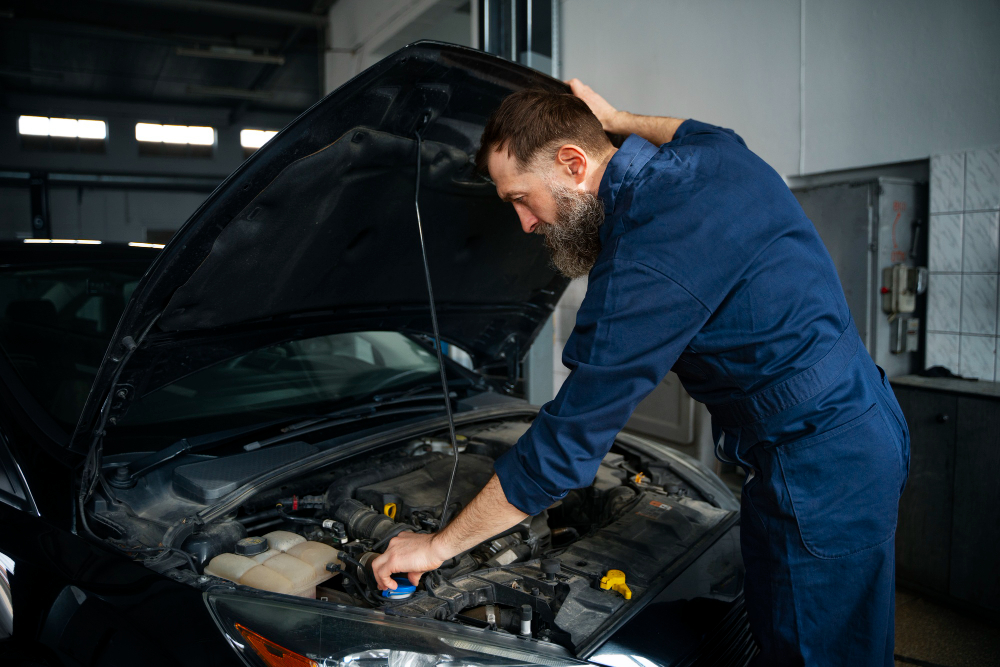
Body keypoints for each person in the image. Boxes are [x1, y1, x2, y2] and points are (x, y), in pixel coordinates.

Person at [371, 80, 910, 665]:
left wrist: (437, 547)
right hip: (859, 419)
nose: (525, 224)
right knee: (834, 631)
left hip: (815, 464)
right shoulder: (714, 157)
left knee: (816, 650)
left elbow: (565, 446)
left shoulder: (646, 256)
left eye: (521, 199)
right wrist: (617, 116)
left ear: (574, 164)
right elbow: (691, 129)